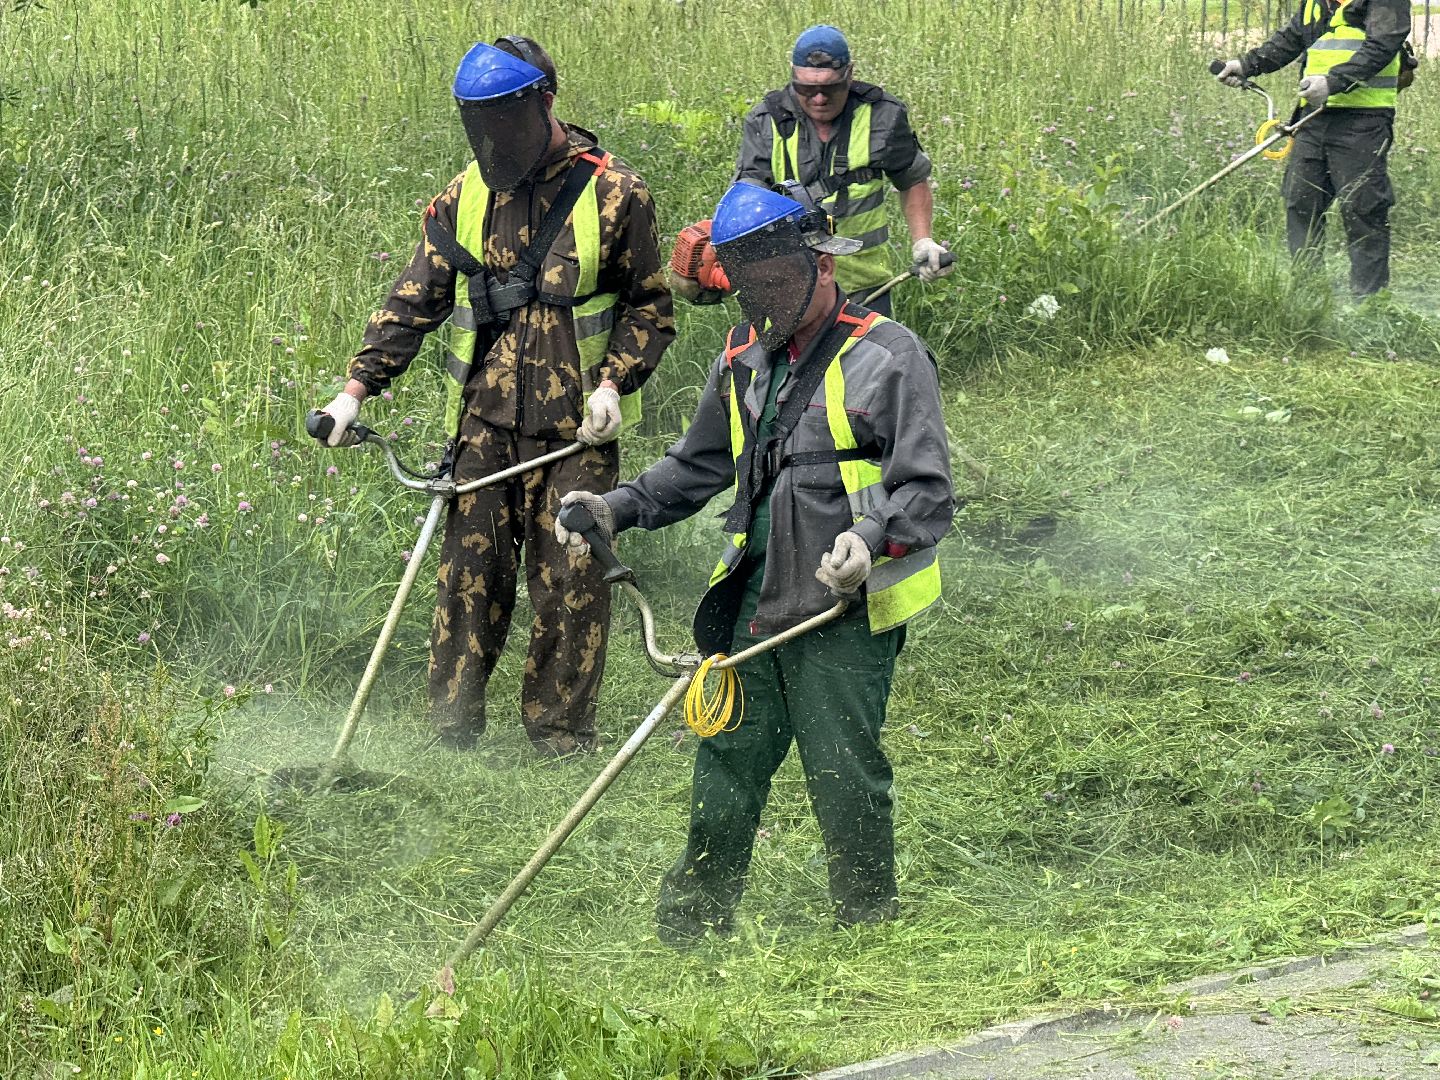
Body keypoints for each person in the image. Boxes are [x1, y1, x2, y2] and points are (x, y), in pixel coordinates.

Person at [556, 182, 954, 941]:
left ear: (821, 263)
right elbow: (695, 467)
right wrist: (617, 507)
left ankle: (867, 923)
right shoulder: (741, 357)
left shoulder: (888, 358)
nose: (762, 302)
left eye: (776, 282)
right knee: (725, 767)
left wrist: (870, 541)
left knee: (844, 776)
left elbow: (928, 493)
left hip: (843, 609)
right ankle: (695, 925)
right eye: (749, 287)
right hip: (751, 599)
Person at [314, 36, 674, 756]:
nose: (492, 141)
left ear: (543, 103)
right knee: (467, 578)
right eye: (478, 125)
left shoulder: (615, 194)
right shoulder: (462, 197)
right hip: (483, 427)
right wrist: (354, 392)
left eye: (504, 122)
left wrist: (613, 384)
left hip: (578, 433)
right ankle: (452, 729)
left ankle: (559, 734)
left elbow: (649, 308)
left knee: (573, 580)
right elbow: (412, 302)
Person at [733, 24, 953, 316]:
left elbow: (912, 179)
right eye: (807, 88)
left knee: (871, 362)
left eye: (830, 87)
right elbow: (746, 201)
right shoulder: (766, 120)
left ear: (850, 74)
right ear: (793, 75)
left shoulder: (882, 115)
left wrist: (923, 240)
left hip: (867, 289)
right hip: (789, 286)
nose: (819, 98)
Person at [1214, 0, 1412, 296]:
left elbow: (1382, 45)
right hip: (1313, 118)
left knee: (1363, 208)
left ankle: (1370, 303)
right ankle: (1309, 295)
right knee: (1301, 202)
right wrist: (1246, 64)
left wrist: (1333, 82)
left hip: (1363, 119)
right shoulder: (1318, 3)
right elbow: (1292, 38)